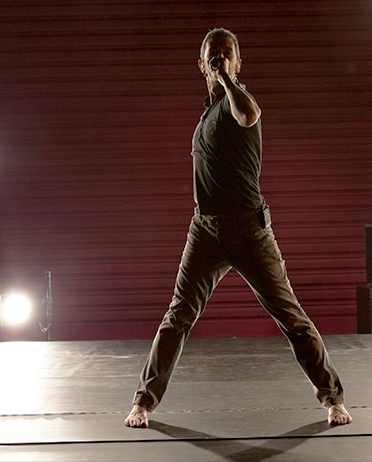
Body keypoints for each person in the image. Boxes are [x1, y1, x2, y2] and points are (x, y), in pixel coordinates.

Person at [124, 27, 352, 428]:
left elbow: (249, 114)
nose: (219, 60)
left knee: (291, 317)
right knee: (176, 318)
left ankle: (332, 398)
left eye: (227, 55)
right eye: (212, 56)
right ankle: (143, 403)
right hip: (205, 232)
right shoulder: (208, 112)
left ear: (237, 63)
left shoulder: (239, 102)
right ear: (200, 65)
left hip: (249, 231)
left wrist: (227, 79)